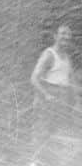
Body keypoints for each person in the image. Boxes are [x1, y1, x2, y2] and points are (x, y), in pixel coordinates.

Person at [30, 24, 79, 155]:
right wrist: (46, 95)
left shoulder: (67, 58)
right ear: (55, 36)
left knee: (57, 140)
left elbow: (73, 83)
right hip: (47, 104)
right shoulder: (49, 54)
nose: (66, 37)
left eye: (68, 35)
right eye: (63, 34)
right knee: (41, 138)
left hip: (61, 104)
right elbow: (34, 78)